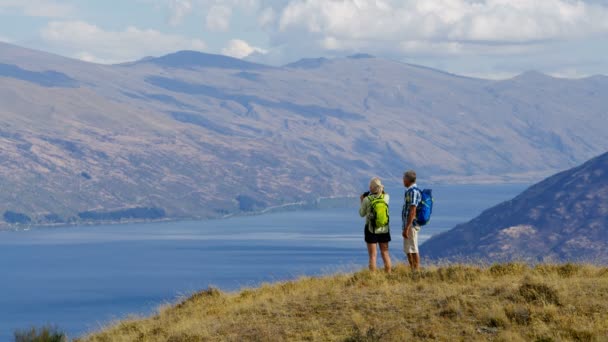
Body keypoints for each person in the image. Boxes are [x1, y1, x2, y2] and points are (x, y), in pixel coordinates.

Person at [359, 177, 392, 273]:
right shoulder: (386, 197)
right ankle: (388, 274)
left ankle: (373, 276)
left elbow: (362, 214)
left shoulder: (367, 200)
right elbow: (383, 193)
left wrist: (362, 200)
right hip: (384, 229)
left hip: (371, 229)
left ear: (371, 188)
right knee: (385, 253)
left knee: (373, 255)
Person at [402, 170, 422, 270]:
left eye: (404, 178)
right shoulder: (409, 191)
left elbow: (413, 210)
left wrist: (407, 227)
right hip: (407, 224)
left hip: (411, 225)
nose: (403, 180)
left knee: (413, 248)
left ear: (408, 179)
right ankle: (412, 270)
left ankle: (416, 271)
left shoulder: (413, 192)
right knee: (408, 249)